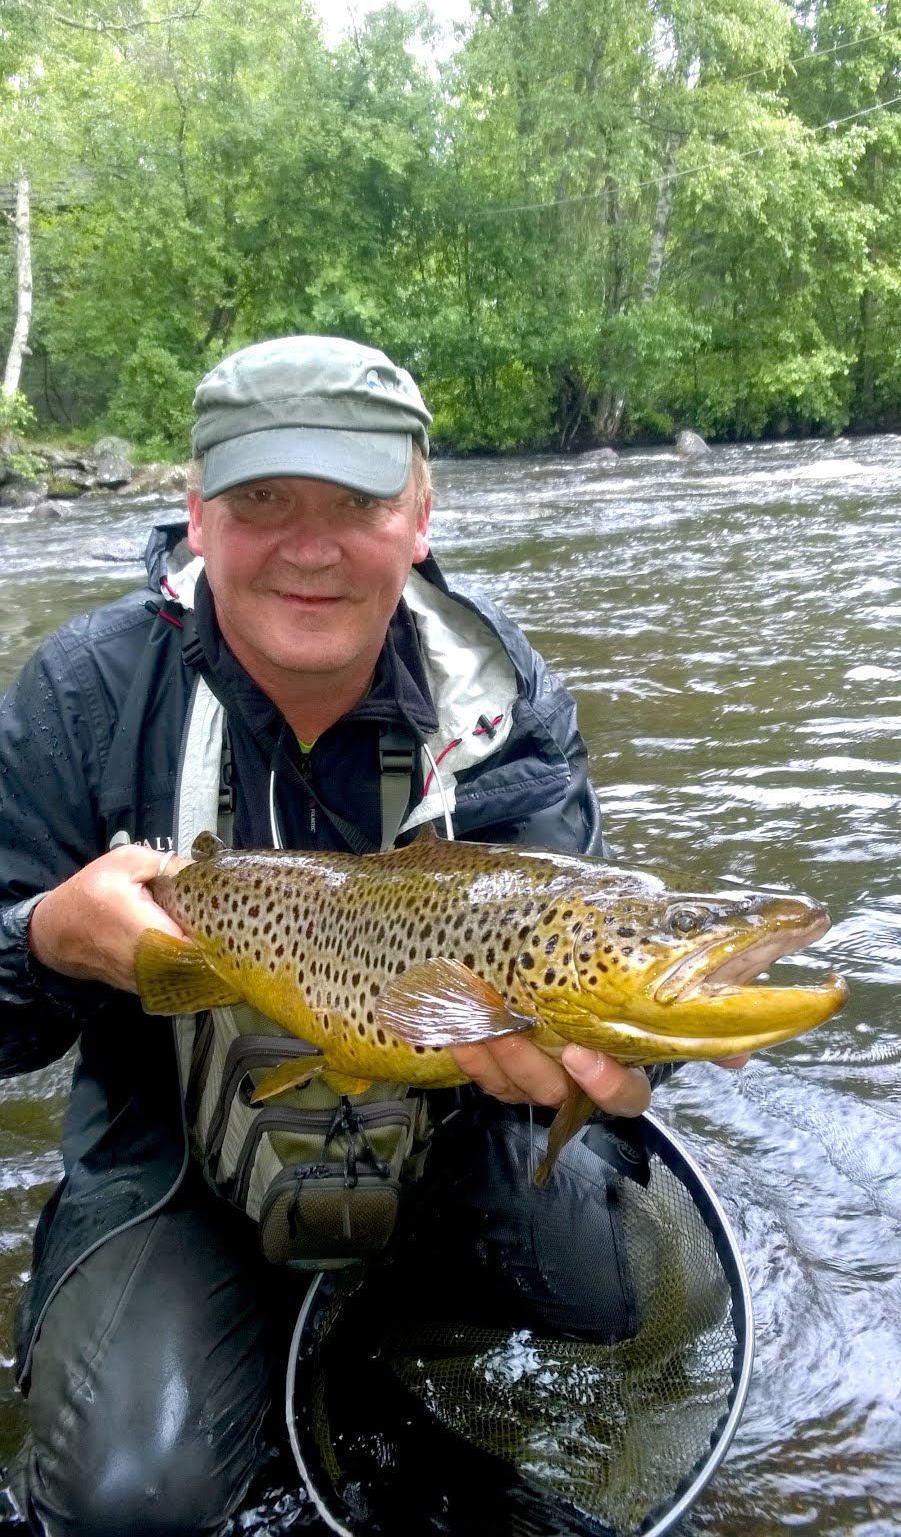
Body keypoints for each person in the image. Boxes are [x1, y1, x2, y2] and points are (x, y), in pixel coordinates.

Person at [0, 335, 737, 1536]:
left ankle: (374, 1329)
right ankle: (233, 1347)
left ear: (420, 516)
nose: (311, 546)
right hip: (176, 1164)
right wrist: (44, 940)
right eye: (262, 501)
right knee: (128, 1502)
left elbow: (588, 951)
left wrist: (618, 1056)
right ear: (196, 510)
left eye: (357, 502)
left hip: (450, 1133)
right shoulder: (83, 698)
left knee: (632, 1299)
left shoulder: (494, 701)